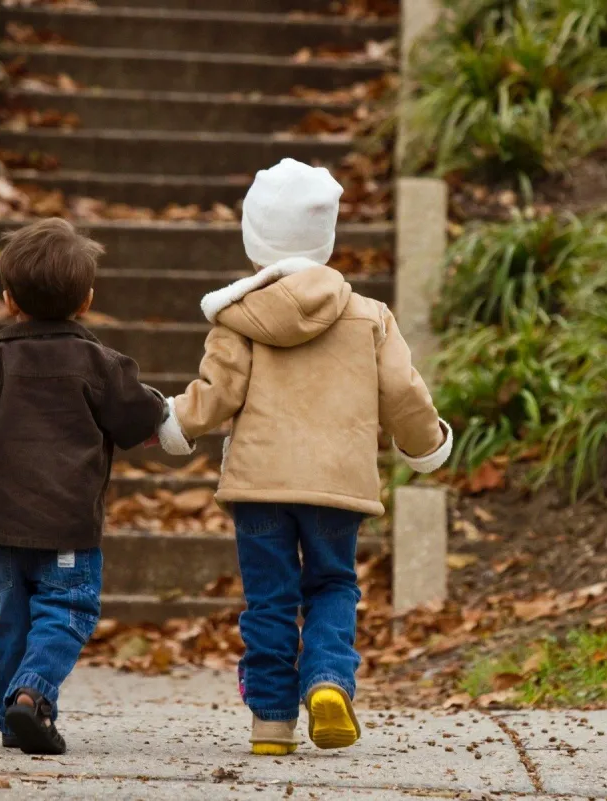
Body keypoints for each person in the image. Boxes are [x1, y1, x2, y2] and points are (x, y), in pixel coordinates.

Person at [155, 158, 451, 755]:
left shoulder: (238, 319)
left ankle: (269, 722)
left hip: (259, 485)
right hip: (336, 486)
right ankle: (326, 682)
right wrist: (426, 444)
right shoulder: (370, 316)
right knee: (333, 585)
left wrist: (172, 423)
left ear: (254, 240)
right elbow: (402, 393)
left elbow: (216, 396)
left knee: (269, 599)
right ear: (327, 239)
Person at [0, 218, 167, 755]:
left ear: (8, 300)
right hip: (67, 525)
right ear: (86, 301)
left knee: (11, 619)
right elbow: (136, 411)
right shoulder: (98, 364)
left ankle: (13, 719)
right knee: (67, 612)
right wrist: (161, 422)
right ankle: (30, 698)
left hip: (0, 526)